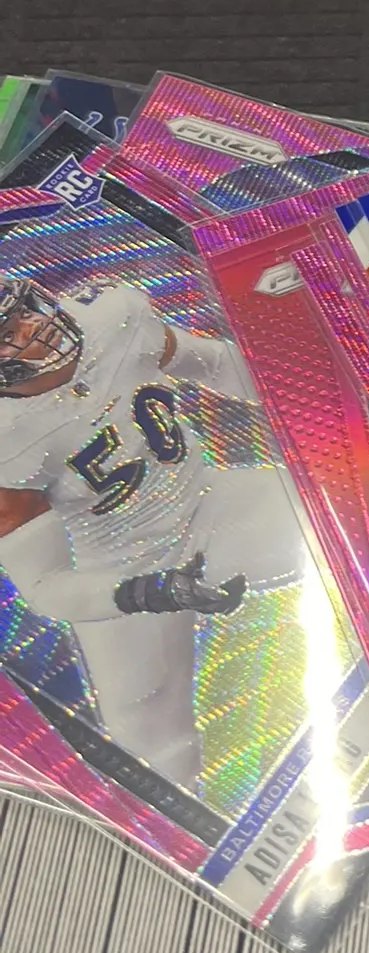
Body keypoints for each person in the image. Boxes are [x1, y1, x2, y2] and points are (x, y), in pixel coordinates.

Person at [0, 276, 305, 789]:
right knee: (149, 748)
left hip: (209, 504)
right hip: (122, 567)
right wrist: (147, 592)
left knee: (363, 507)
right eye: (8, 333)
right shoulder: (6, 441)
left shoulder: (114, 318)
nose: (33, 328)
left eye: (25, 311)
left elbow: (216, 364)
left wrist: (309, 393)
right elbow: (45, 585)